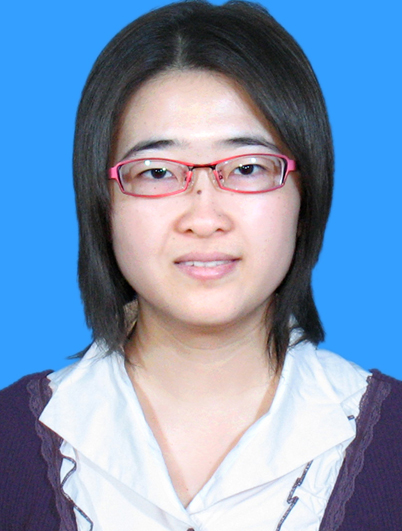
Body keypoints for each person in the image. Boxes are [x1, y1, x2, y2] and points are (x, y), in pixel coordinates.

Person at [0, 1, 401, 529]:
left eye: (248, 167)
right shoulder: (9, 446)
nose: (205, 218)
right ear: (102, 203)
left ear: (306, 197)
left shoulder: (393, 444)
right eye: (157, 172)